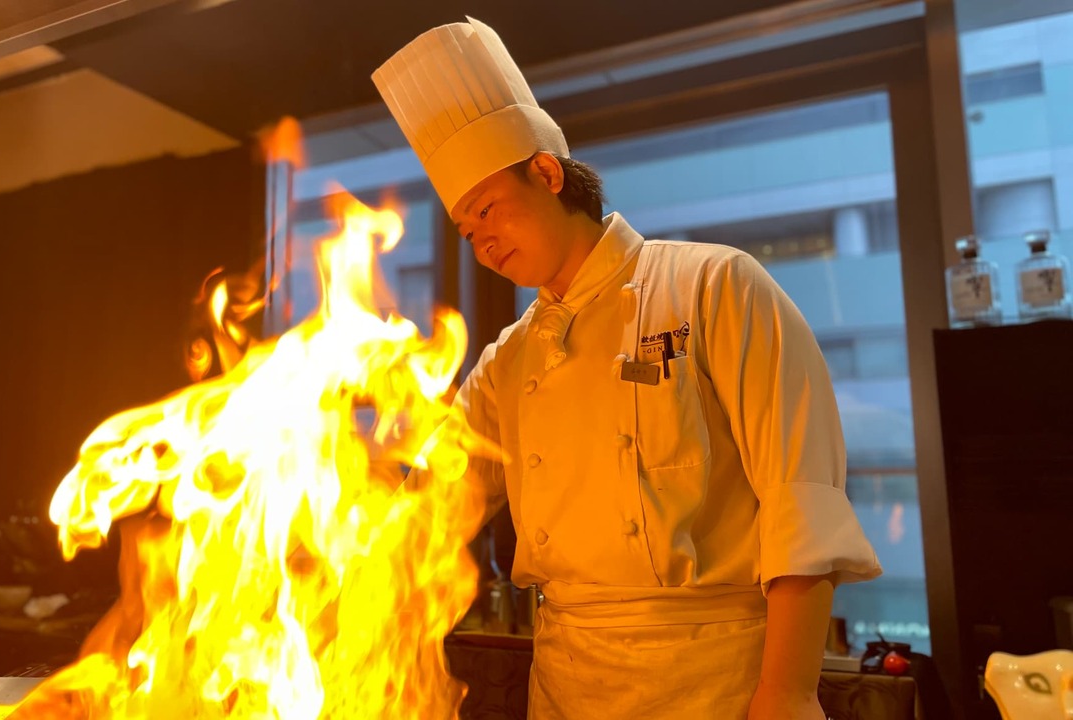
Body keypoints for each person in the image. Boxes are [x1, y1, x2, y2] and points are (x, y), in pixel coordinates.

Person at [372, 17, 883, 720]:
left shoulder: (714, 286)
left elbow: (802, 503)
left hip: (716, 679)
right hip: (565, 680)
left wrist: (786, 694)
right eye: (465, 230)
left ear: (546, 174)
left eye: (487, 210)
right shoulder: (506, 363)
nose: (481, 241)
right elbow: (430, 510)